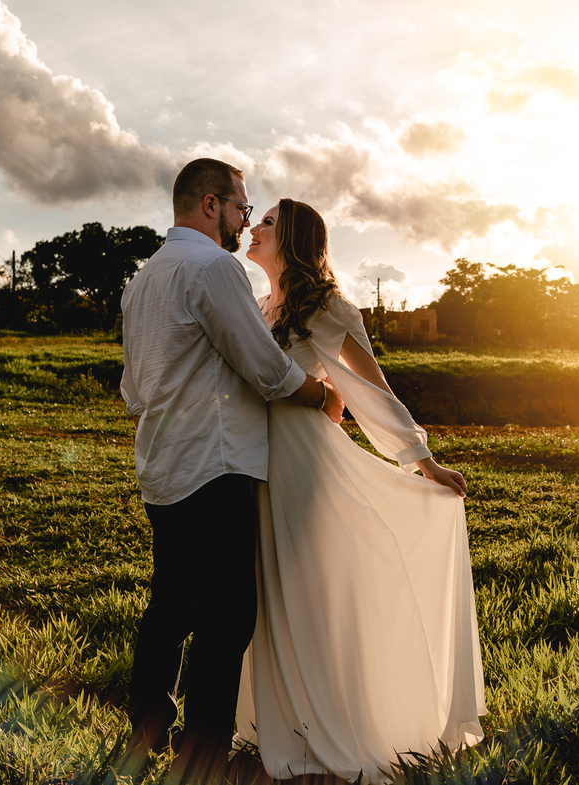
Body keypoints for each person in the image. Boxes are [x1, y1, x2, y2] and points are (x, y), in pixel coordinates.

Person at [234, 199, 486, 783]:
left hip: (300, 463)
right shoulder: (259, 303)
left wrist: (422, 461)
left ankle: (335, 726)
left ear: (293, 237)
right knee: (267, 593)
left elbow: (371, 387)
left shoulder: (329, 307)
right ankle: (284, 720)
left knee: (306, 590)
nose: (253, 227)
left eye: (267, 222)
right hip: (255, 462)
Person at [118, 160, 344, 782]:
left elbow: (132, 391)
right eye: (244, 207)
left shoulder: (143, 279)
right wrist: (318, 397)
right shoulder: (216, 269)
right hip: (216, 467)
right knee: (226, 619)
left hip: (161, 469)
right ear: (212, 204)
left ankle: (145, 729)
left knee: (169, 606)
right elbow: (265, 368)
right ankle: (203, 758)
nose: (247, 219)